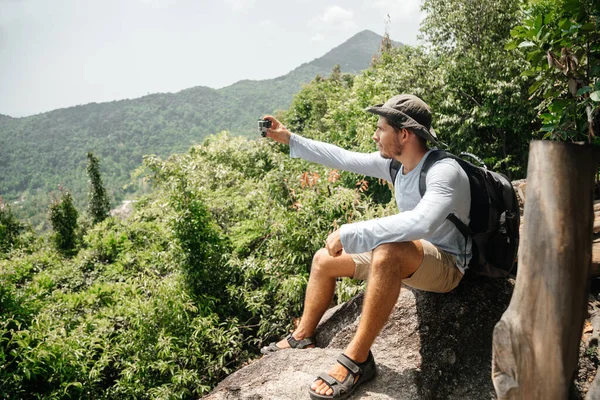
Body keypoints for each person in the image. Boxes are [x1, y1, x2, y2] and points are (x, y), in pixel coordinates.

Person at [260, 94, 471, 400]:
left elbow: (422, 222)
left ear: (404, 134)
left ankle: (357, 359)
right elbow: (341, 157)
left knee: (388, 251)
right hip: (415, 256)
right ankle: (303, 336)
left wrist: (351, 233)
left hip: (448, 266)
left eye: (380, 128)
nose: (374, 135)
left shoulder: (444, 171)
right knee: (323, 260)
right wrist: (288, 137)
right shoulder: (397, 166)